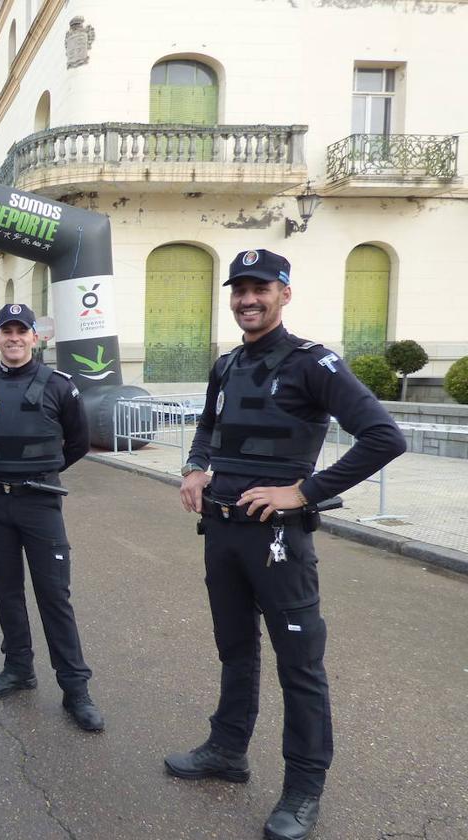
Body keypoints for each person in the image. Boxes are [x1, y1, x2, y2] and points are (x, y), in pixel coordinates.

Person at [167, 249, 407, 840]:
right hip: (221, 533)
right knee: (235, 649)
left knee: (300, 668)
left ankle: (303, 788)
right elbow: (207, 424)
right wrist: (197, 465)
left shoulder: (314, 363)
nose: (248, 299)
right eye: (240, 289)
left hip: (277, 543)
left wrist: (304, 492)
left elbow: (384, 436)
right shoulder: (225, 366)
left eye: (261, 288)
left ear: (284, 294)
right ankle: (227, 749)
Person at [0, 303, 104, 732]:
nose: (15, 338)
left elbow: (77, 442)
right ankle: (18, 668)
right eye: (7, 331)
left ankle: (76, 689)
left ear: (35, 338)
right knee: (6, 592)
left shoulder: (60, 386)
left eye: (23, 331)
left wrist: (38, 471)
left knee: (54, 597)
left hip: (40, 504)